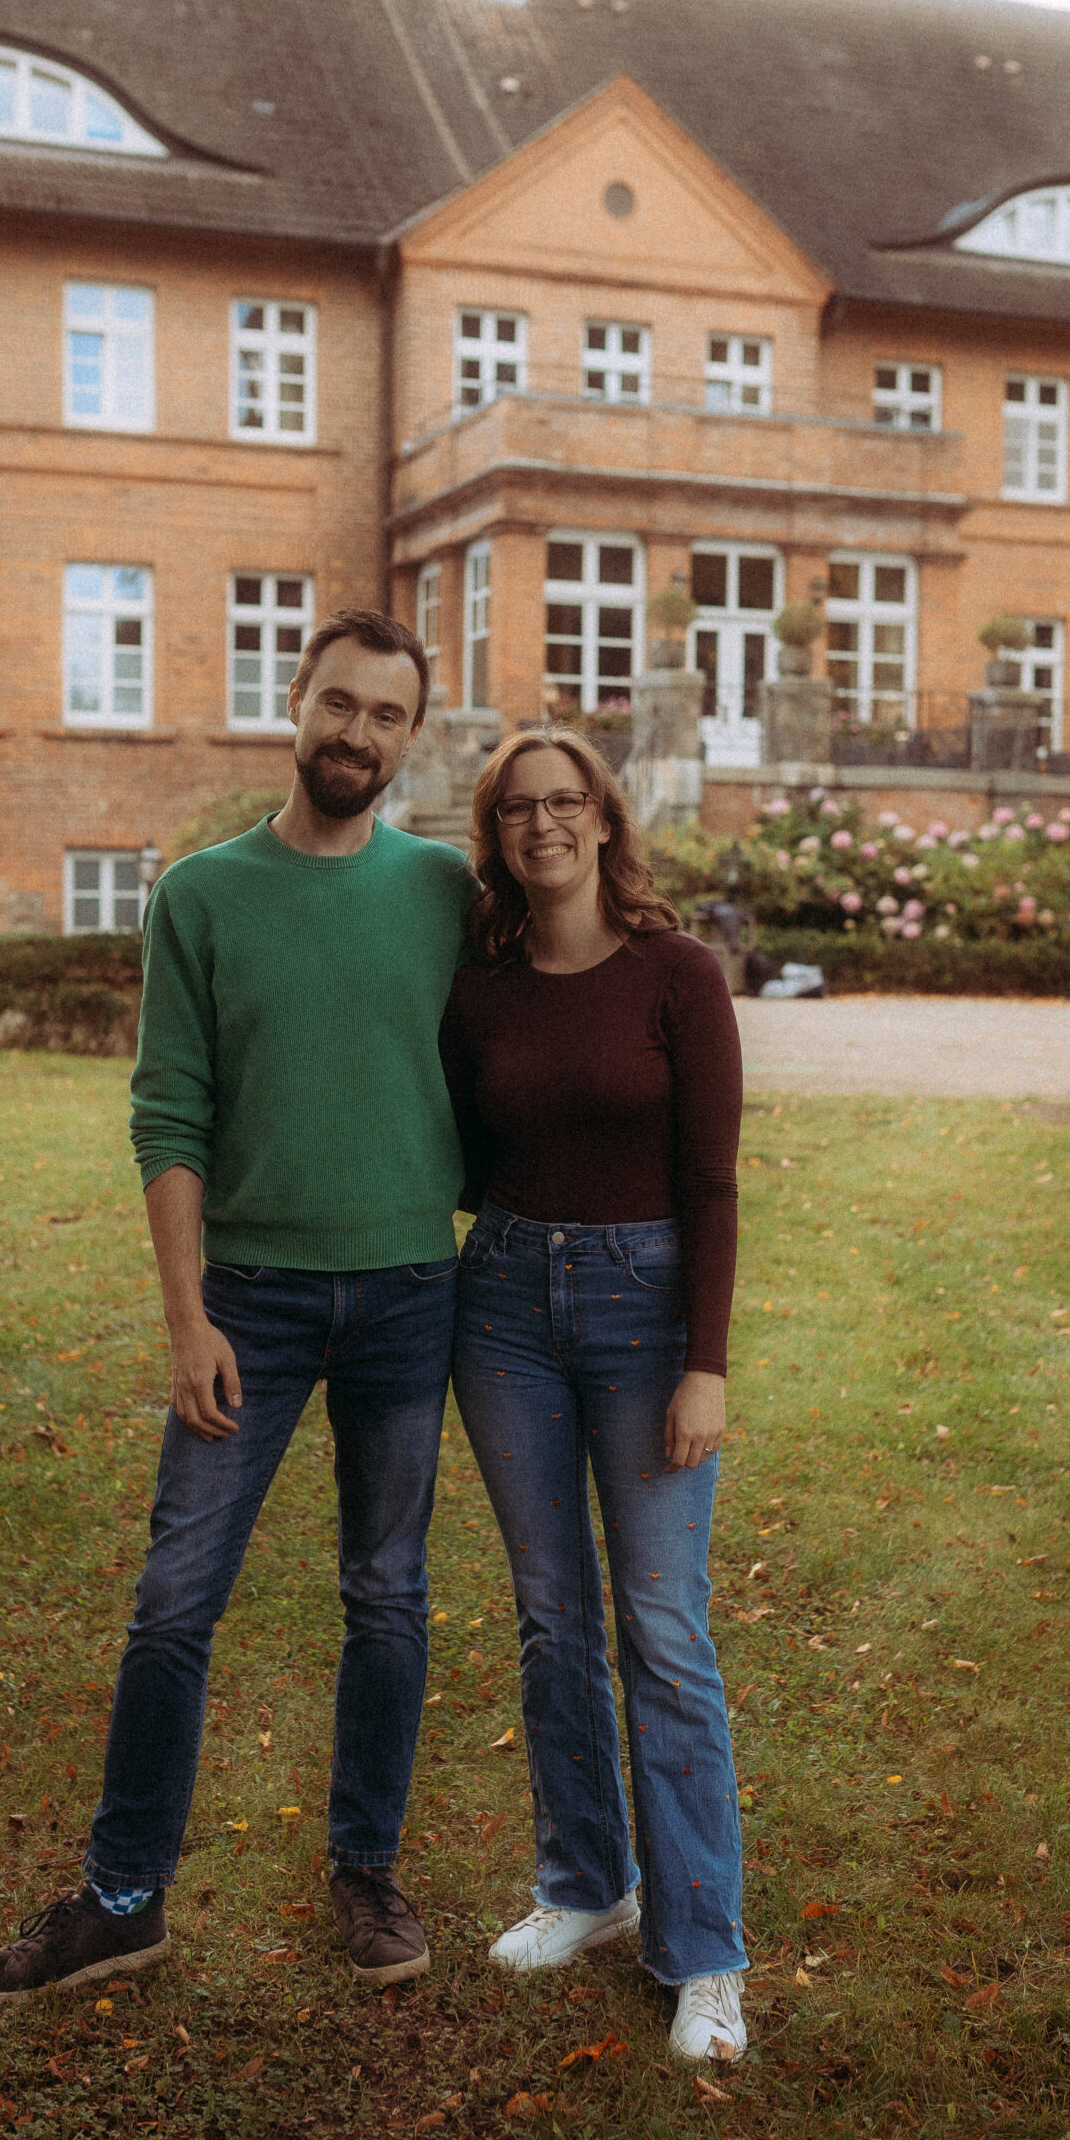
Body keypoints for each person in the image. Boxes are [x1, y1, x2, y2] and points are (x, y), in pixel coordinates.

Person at [0, 610, 472, 2009]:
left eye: (388, 716)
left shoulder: (442, 891)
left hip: (415, 1291)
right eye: (339, 704)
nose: (358, 733)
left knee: (389, 1597)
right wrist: (189, 1317)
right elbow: (168, 1113)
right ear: (291, 702)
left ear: (412, 739)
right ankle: (123, 1898)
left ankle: (365, 1867)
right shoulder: (201, 895)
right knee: (176, 1604)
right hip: (252, 1298)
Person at [440, 730, 749, 2061]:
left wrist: (706, 1363)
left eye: (566, 802)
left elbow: (715, 1185)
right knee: (554, 1619)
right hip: (502, 1308)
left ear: (605, 821)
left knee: (663, 1631)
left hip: (645, 1314)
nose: (544, 825)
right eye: (519, 810)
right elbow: (452, 1156)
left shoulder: (678, 975)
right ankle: (585, 1887)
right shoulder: (483, 989)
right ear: (498, 835)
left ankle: (706, 1956)